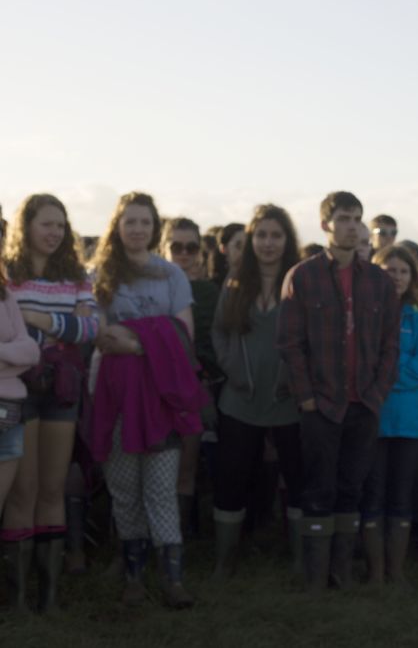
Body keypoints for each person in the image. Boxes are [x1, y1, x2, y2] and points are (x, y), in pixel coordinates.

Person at [277, 191, 399, 592]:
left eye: (357, 219)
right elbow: (290, 343)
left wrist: (377, 394)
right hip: (321, 404)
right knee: (318, 489)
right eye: (344, 218)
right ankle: (314, 577)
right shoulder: (303, 276)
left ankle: (341, 572)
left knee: (351, 489)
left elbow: (390, 345)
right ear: (326, 224)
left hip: (363, 402)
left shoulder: (379, 282)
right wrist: (307, 398)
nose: (352, 226)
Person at [91, 191, 203, 608]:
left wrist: (135, 339)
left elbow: (183, 333)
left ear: (155, 228)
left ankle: (173, 581)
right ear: (117, 228)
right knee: (124, 489)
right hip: (116, 396)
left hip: (161, 398)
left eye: (145, 222)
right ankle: (134, 579)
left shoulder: (171, 275)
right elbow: (102, 337)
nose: (137, 229)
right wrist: (155, 336)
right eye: (130, 222)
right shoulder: (101, 274)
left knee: (159, 488)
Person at [0, 194, 97, 612]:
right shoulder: (7, 277)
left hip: (61, 393)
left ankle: (51, 596)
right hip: (18, 392)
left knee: (52, 489)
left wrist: (36, 322)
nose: (56, 232)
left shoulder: (76, 276)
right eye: (47, 224)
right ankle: (19, 599)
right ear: (27, 228)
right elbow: (12, 340)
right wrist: (59, 328)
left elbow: (90, 328)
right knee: (23, 492)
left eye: (61, 225)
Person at [211, 205, 303, 579]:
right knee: (231, 478)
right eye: (261, 235)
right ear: (251, 240)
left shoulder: (301, 281)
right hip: (240, 399)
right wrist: (233, 369)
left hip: (288, 401)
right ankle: (224, 561)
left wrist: (297, 379)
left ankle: (300, 562)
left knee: (298, 481)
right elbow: (219, 331)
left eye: (276, 235)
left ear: (287, 240)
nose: (268, 243)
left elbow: (311, 338)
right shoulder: (236, 281)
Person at [360, 245, 418, 585]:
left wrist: (386, 370)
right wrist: (395, 368)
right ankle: (375, 572)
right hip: (373, 420)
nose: (398, 277)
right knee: (372, 494)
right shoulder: (364, 317)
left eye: (404, 271)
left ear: (412, 277)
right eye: (391, 270)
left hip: (409, 424)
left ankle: (397, 571)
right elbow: (361, 367)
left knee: (402, 496)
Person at [161, 217, 221, 537]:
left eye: (191, 247)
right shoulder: (150, 285)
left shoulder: (208, 292)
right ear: (164, 247)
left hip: (193, 387)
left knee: (185, 468)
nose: (183, 253)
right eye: (176, 246)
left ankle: (177, 541)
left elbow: (212, 345)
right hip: (151, 388)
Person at [0, 238, 42, 612]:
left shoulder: (5, 296)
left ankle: (14, 601)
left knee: (8, 501)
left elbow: (30, 350)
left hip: (8, 412)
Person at [209, 223, 246, 288]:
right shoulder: (213, 287)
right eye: (238, 246)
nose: (243, 251)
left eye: (247, 246)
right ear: (223, 248)